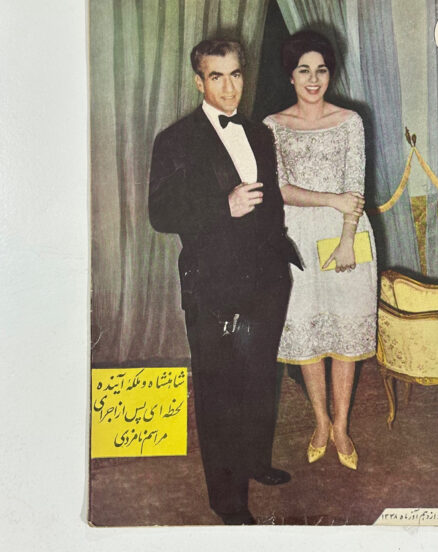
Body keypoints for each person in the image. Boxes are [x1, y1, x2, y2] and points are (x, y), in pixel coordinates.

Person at [148, 39, 302, 525]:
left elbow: (270, 202)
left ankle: (255, 460)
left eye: (236, 74)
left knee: (258, 376)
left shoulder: (259, 134)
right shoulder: (175, 140)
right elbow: (159, 214)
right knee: (219, 391)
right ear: (199, 81)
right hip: (212, 284)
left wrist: (278, 262)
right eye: (217, 77)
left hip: (265, 279)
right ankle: (228, 500)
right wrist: (223, 207)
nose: (230, 87)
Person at [263, 30, 378, 471]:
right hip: (295, 239)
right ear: (290, 76)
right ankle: (320, 422)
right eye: (304, 70)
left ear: (331, 74)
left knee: (345, 333)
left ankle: (342, 427)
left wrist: (347, 238)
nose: (313, 79)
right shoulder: (273, 126)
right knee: (309, 333)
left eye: (322, 70)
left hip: (347, 234)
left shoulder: (350, 121)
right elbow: (279, 189)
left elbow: (355, 188)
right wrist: (331, 200)